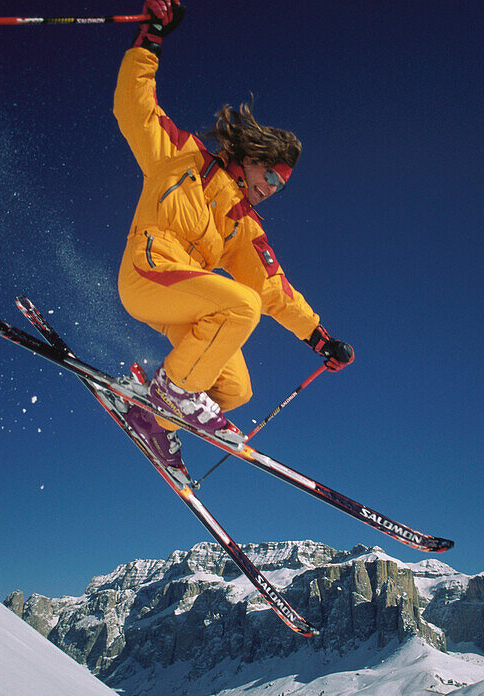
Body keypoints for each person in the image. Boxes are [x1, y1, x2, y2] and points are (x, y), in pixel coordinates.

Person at [114, 0, 354, 476]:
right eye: (271, 176)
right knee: (240, 306)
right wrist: (151, 40)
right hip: (149, 272)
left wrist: (319, 338)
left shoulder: (243, 223)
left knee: (235, 388)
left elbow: (274, 289)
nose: (271, 189)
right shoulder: (182, 157)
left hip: (186, 300)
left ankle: (151, 409)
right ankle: (164, 399)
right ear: (250, 156)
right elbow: (133, 107)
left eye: (280, 187)